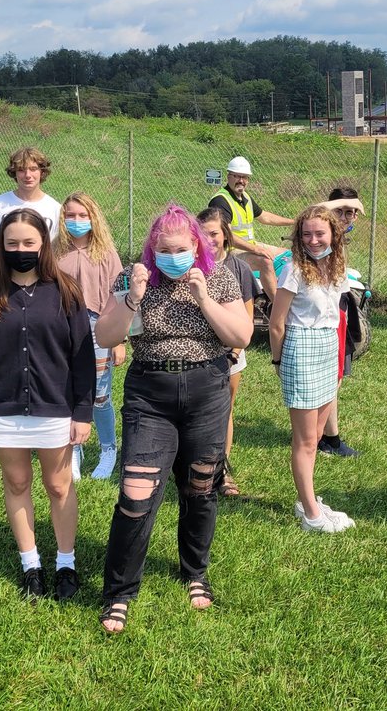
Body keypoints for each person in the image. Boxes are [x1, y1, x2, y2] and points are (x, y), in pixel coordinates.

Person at [94, 205, 251, 633]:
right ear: (152, 248)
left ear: (197, 246)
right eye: (164, 249)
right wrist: (132, 299)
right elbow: (105, 335)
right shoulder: (134, 276)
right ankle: (119, 592)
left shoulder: (217, 277)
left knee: (201, 485)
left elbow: (240, 336)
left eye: (182, 249)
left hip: (207, 390)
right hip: (151, 393)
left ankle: (194, 572)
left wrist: (202, 297)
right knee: (136, 491)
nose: (173, 256)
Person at [0, 208, 95, 602]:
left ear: (44, 245)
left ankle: (66, 563)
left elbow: (82, 358)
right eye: (12, 244)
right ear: (2, 247)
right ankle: (31, 565)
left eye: (28, 243)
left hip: (55, 406)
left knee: (59, 485)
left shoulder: (67, 291)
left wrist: (83, 412)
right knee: (17, 482)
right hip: (2, 408)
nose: (20, 250)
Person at [269, 205, 355, 534]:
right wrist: (279, 361)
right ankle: (310, 513)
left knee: (317, 436)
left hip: (327, 348)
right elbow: (277, 324)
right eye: (307, 234)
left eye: (320, 233)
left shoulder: (336, 266)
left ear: (333, 233)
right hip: (302, 349)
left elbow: (338, 313)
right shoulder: (293, 269)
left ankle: (310, 499)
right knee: (305, 440)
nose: (314, 240)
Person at [56, 192, 124, 481]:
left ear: (93, 218)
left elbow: (119, 296)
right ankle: (74, 447)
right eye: (70, 215)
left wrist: (119, 340)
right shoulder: (54, 252)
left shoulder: (106, 254)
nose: (76, 221)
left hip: (99, 328)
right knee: (67, 390)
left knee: (99, 394)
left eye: (82, 215)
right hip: (62, 328)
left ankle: (109, 448)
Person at [196, 206, 256, 496]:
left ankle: (222, 473)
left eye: (214, 234)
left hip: (229, 354)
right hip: (196, 354)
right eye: (202, 234)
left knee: (224, 412)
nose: (208, 240)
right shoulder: (188, 266)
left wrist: (232, 352)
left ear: (225, 235)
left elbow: (246, 317)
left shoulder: (239, 269)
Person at [315, 188, 367, 458]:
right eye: (340, 211)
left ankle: (326, 435)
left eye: (351, 213)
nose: (346, 217)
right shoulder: (324, 233)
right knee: (331, 378)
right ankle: (327, 439)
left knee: (336, 377)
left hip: (340, 308)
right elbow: (314, 209)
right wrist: (341, 204)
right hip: (329, 313)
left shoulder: (340, 237)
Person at [208, 155, 293, 303]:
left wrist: (295, 222)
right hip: (228, 252)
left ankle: (287, 294)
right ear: (228, 176)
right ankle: (279, 309)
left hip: (248, 246)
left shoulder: (244, 197)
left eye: (245, 177)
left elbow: (264, 217)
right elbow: (227, 236)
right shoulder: (220, 201)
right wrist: (256, 250)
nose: (241, 180)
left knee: (290, 255)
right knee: (264, 261)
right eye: (237, 176)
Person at [0, 147, 61, 278]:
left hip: (42, 281)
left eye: (33, 169)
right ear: (14, 173)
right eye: (21, 170)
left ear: (42, 172)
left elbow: (56, 253)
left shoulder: (55, 209)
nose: (28, 175)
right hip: (4, 279)